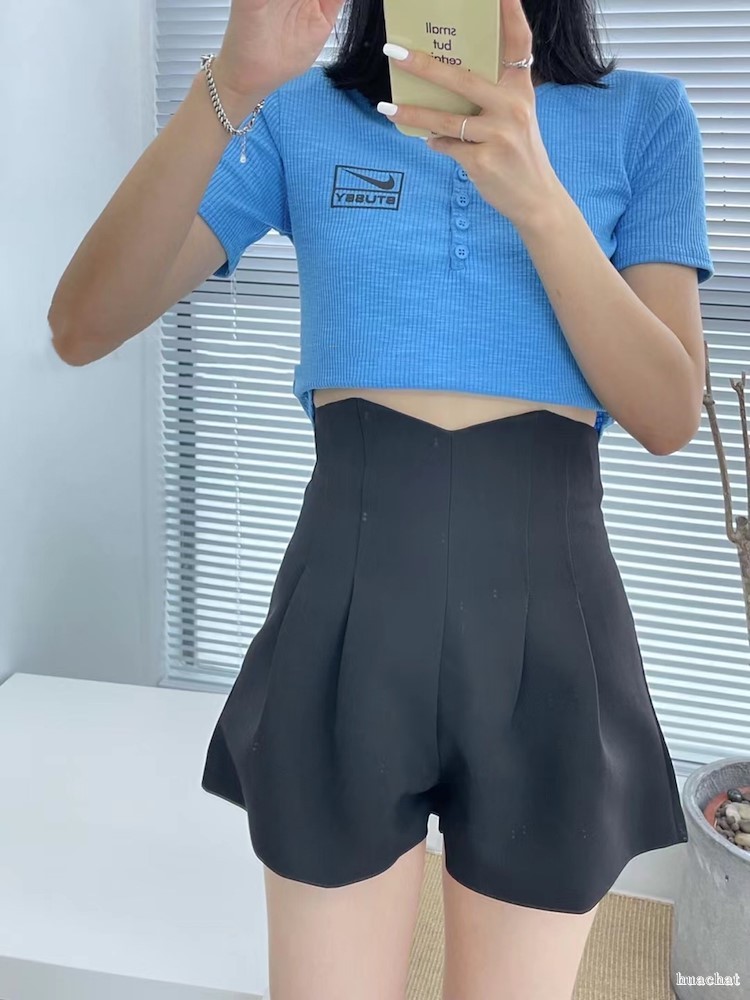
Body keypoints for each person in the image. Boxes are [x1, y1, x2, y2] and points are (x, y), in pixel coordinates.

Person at [47, 0, 714, 996]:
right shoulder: (297, 115)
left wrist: (537, 194)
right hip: (346, 609)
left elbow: (668, 414)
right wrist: (231, 83)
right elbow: (83, 323)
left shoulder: (647, 117)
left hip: (555, 626)